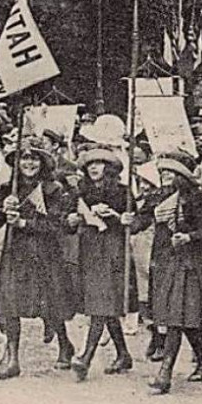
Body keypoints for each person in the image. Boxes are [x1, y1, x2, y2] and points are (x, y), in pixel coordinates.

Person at [0, 136, 73, 380]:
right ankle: (12, 358)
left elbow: (57, 224)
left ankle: (65, 344)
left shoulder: (53, 189)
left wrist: (23, 222)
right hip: (15, 253)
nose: (29, 163)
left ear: (42, 162)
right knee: (9, 303)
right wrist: (4, 208)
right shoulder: (8, 188)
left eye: (34, 158)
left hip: (45, 254)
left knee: (50, 303)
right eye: (24, 158)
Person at [132, 150, 202, 396]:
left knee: (175, 319)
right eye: (163, 171)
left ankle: (165, 375)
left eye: (172, 171)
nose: (166, 176)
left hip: (190, 264)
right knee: (183, 318)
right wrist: (127, 220)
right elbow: (142, 221)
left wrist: (189, 236)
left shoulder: (195, 199)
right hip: (165, 263)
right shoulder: (158, 197)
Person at [69, 146, 134, 379]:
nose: (94, 168)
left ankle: (86, 357)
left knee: (101, 304)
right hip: (89, 251)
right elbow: (69, 222)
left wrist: (117, 217)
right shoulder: (80, 193)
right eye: (90, 164)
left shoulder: (123, 192)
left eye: (99, 163)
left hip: (112, 251)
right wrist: (74, 218)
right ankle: (123, 354)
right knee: (104, 305)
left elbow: (133, 223)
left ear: (110, 168)